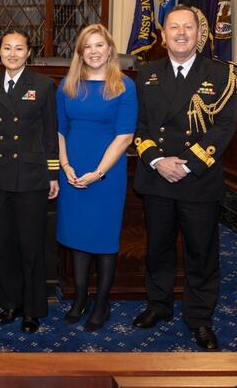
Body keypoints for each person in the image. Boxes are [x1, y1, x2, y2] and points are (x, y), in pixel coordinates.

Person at [132, 5, 237, 351]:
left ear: (199, 33)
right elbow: (140, 127)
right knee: (159, 248)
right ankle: (158, 305)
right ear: (162, 36)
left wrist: (188, 164)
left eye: (187, 27)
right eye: (173, 27)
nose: (180, 33)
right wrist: (159, 160)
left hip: (198, 179)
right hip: (158, 177)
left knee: (201, 252)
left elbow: (224, 128)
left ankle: (200, 317)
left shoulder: (222, 74)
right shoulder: (145, 73)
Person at [0, 29, 59, 333]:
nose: (12, 53)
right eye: (7, 48)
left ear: (28, 53)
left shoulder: (43, 85)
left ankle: (32, 309)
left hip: (31, 176)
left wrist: (53, 174)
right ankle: (9, 304)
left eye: (19, 48)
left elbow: (51, 133)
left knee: (31, 245)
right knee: (3, 245)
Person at [55, 24, 137, 332]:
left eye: (99, 45)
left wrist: (98, 173)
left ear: (110, 50)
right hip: (73, 172)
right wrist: (65, 165)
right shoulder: (68, 85)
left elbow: (125, 136)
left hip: (106, 175)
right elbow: (61, 129)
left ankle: (102, 302)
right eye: (87, 46)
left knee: (103, 241)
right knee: (77, 239)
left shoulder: (124, 86)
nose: (93, 51)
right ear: (80, 52)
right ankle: (79, 299)